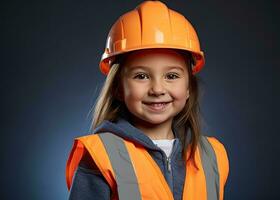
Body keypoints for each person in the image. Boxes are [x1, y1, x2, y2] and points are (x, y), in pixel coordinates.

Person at [66, 1, 229, 200]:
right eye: (141, 76)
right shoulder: (100, 155)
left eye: (171, 76)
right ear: (118, 88)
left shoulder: (212, 155)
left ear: (188, 88)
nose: (157, 89)